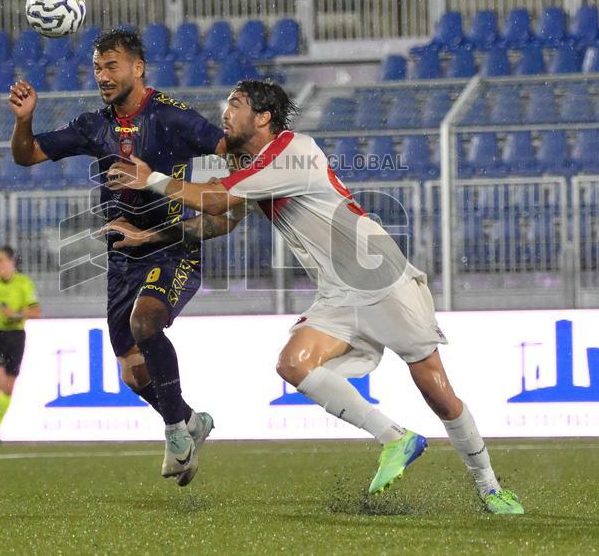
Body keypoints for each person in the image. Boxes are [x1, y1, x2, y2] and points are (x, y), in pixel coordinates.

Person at [104, 79, 525, 514]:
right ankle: (396, 438)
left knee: (437, 390)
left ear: (263, 117)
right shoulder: (252, 167)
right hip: (338, 291)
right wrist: (148, 235)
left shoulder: (294, 150)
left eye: (237, 104)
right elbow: (221, 221)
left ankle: (490, 487)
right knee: (293, 363)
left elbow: (214, 202)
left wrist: (149, 178)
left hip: (379, 273)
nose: (225, 111)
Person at [8, 28, 226, 485]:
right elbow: (26, 155)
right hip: (122, 258)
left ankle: (175, 435)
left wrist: (230, 195)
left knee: (145, 323)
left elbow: (229, 149)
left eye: (112, 66)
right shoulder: (94, 126)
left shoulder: (171, 117)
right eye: (97, 68)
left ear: (137, 68)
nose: (103, 76)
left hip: (171, 247)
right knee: (132, 373)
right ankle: (190, 420)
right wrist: (24, 119)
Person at [0, 245, 41, 444]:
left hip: (15, 336)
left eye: (0, 260)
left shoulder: (24, 283)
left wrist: (15, 314)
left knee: (8, 387)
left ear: (11, 262)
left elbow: (36, 312)